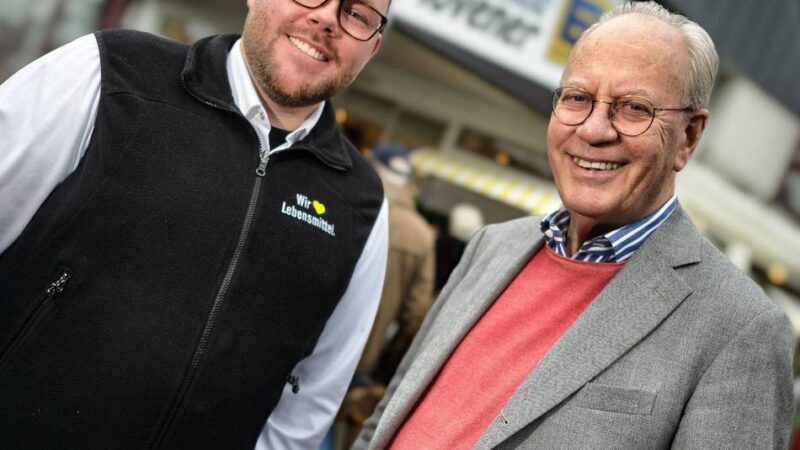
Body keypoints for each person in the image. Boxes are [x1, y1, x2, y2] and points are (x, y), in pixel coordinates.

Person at [354, 2, 795, 449]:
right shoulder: (492, 246)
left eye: (634, 108)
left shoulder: (740, 330)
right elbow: (388, 417)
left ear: (688, 136)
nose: (594, 130)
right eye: (578, 98)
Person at [0, 0, 391, 448]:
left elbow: (308, 403)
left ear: (372, 49)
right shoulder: (113, 73)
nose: (326, 18)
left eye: (357, 14)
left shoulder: (360, 204)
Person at [337, 143, 435, 447]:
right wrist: (386, 366)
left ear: (376, 168)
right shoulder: (421, 235)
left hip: (312, 344)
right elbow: (417, 315)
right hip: (362, 362)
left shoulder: (350, 204)